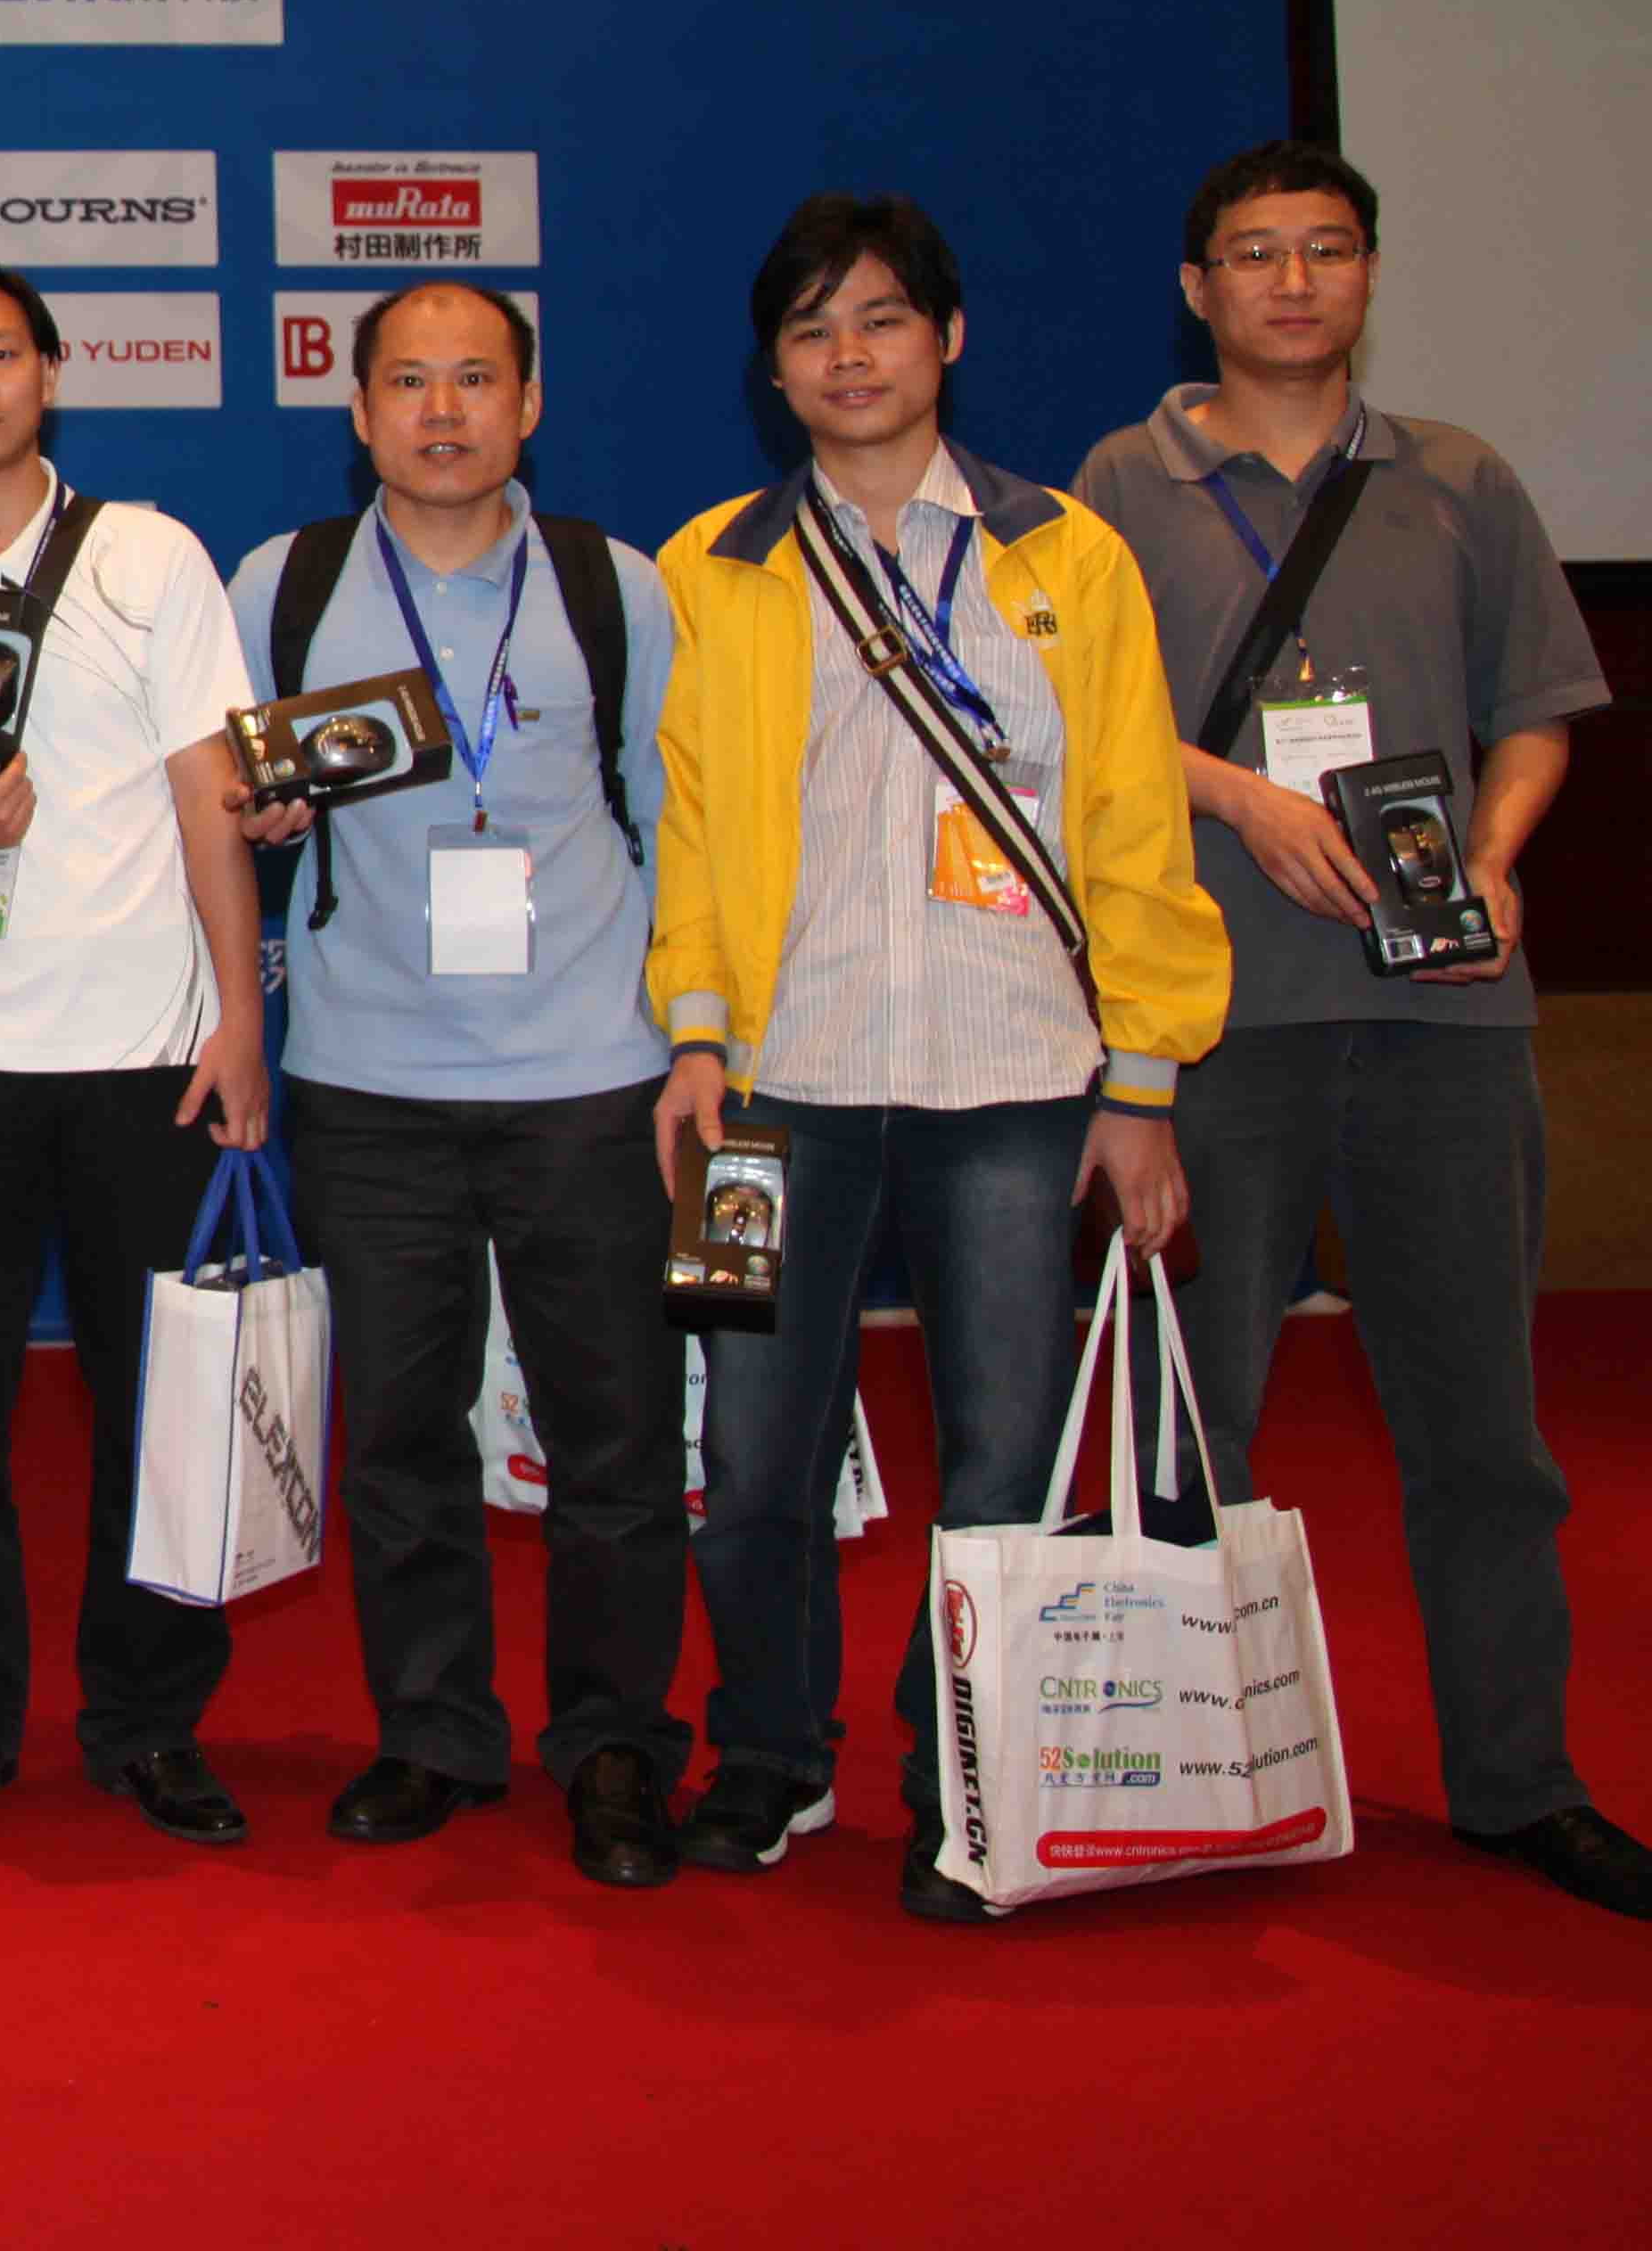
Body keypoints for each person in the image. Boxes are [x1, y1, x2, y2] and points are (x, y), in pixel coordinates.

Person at [1069, 141, 1647, 1921]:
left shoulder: (1460, 478)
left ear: (1370, 277)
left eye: (1327, 251)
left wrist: (1496, 854)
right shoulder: (1119, 485)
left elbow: (1536, 710)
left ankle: (1521, 1784)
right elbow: (1082, 726)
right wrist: (1239, 798)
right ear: (1199, 289)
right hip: (1213, 1025)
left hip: (1443, 1018)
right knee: (1195, 1422)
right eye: (1257, 255)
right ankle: (1187, 1779)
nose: (1294, 283)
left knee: (1485, 1433)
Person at [649, 193, 1223, 1922]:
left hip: (1019, 1081)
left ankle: (965, 1776)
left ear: (949, 338)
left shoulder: (1070, 558)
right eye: (812, 328)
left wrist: (1144, 1080)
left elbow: (1134, 826)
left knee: (1003, 1458)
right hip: (769, 1089)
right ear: (773, 369)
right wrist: (694, 1033)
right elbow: (688, 824)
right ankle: (771, 1755)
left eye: (883, 318)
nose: (850, 355)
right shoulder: (713, 565)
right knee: (752, 1457)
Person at [220, 283, 687, 1887]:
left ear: (528, 404)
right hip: (370, 1079)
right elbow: (228, 795)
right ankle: (433, 1732)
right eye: (408, 382)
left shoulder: (612, 588)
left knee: (616, 1436)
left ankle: (614, 1743)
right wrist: (260, 818)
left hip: (591, 1075)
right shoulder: (284, 586)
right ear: (357, 413)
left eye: (475, 378)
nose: (442, 411)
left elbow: (671, 821)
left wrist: (701, 1039)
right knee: (403, 1439)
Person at [0, 256, 272, 1850]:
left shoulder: (151, 558)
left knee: (155, 1411)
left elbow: (212, 794)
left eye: (2, 353)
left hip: (147, 1057)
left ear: (50, 373)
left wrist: (243, 1018)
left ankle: (150, 1720)